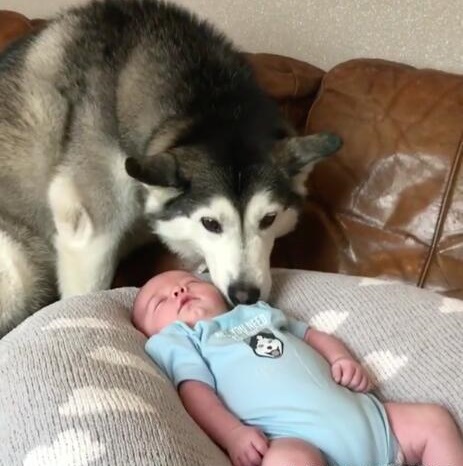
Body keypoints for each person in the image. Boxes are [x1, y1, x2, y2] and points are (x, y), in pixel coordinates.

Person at [132, 270, 463, 466]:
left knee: (433, 420)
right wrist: (232, 434)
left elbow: (313, 335)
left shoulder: (258, 312)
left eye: (190, 281)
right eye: (160, 301)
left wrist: (341, 359)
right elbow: (195, 393)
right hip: (293, 439)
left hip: (371, 422)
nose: (179, 290)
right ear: (150, 333)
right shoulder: (185, 339)